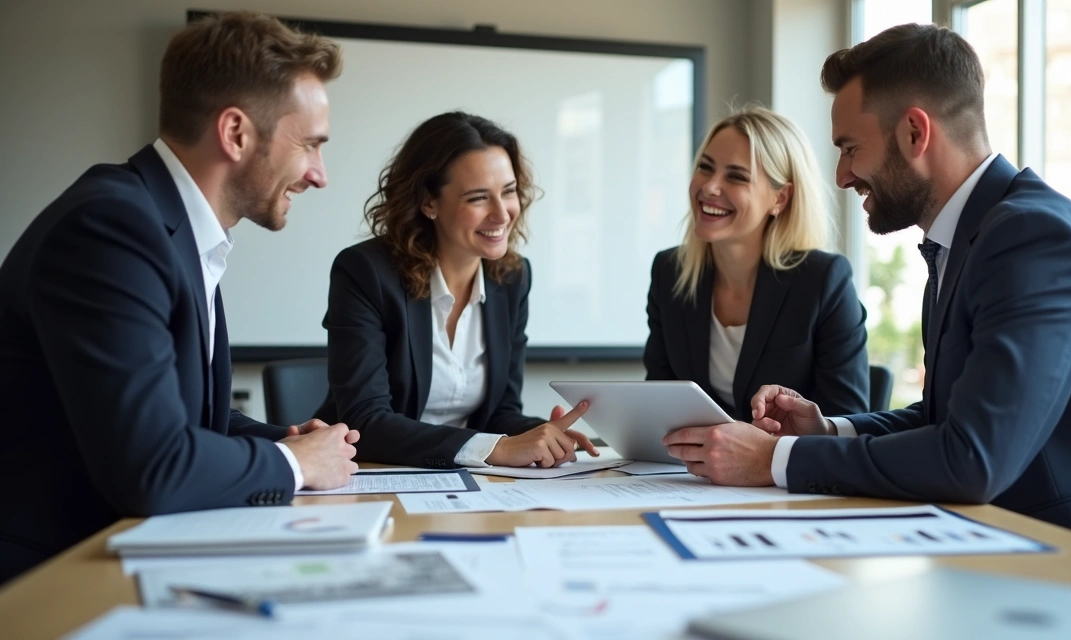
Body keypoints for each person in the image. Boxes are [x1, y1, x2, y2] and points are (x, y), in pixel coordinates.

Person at [662, 23, 1071, 568]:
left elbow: (972, 458)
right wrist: (827, 430)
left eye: (851, 148)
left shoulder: (1034, 239)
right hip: (1020, 548)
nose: (842, 175)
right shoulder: (968, 239)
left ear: (914, 133)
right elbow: (943, 418)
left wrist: (776, 458)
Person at [0, 11, 362, 583]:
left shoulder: (165, 224)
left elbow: (186, 418)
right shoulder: (111, 229)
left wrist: (282, 439)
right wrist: (292, 462)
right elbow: (151, 466)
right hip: (51, 578)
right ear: (235, 133)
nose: (319, 174)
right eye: (310, 146)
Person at [315, 112, 593, 470]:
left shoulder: (512, 278)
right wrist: (492, 449)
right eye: (478, 198)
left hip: (469, 483)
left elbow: (500, 412)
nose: (502, 214)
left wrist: (541, 433)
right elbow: (365, 422)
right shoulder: (366, 272)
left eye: (508, 191)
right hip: (367, 474)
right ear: (428, 202)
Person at [644, 107, 869, 419]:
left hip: (786, 453)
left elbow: (847, 419)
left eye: (736, 176)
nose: (709, 187)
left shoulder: (824, 281)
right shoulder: (669, 272)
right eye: (705, 168)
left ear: (780, 198)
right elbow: (658, 403)